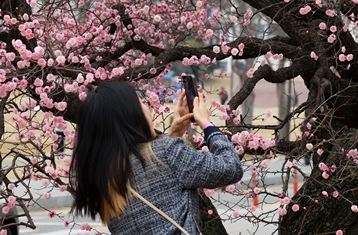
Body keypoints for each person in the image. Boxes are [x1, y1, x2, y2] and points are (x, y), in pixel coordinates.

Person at [71, 81, 242, 234]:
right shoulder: (166, 152)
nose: (147, 107)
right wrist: (207, 124)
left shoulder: (104, 179)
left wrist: (174, 135)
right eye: (140, 103)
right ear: (131, 114)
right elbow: (230, 167)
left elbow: (154, 179)